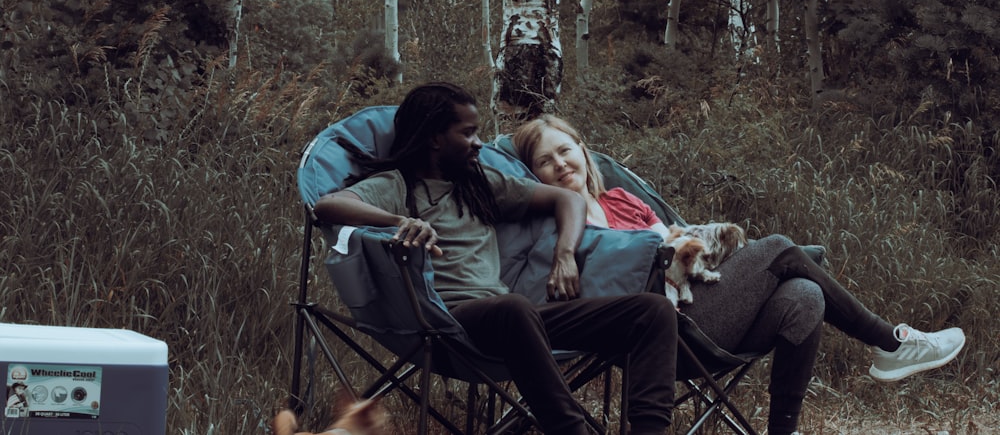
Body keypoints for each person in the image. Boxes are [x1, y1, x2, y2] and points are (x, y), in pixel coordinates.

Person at [513, 115, 967, 435]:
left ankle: (782, 431)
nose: (560, 164)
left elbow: (678, 243)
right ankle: (890, 343)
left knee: (805, 294)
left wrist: (700, 244)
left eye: (565, 150)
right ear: (531, 174)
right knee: (779, 249)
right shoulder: (553, 225)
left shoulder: (621, 200)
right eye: (544, 161)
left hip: (704, 306)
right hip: (660, 332)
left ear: (582, 149)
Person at [314, 83, 677, 435]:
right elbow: (328, 205)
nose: (479, 143)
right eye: (468, 133)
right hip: (449, 321)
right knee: (513, 308)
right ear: (436, 139)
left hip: (517, 321)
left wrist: (563, 255)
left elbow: (569, 200)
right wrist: (399, 220)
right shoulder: (397, 186)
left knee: (653, 311)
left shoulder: (479, 182)